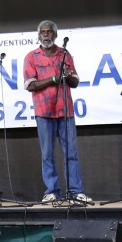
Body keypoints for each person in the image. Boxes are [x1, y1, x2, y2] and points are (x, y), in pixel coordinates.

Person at [23, 20, 91, 205]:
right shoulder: (32, 57)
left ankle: (76, 191)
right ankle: (52, 191)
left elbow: (75, 82)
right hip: (44, 112)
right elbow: (31, 85)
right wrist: (54, 78)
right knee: (47, 154)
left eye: (49, 32)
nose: (46, 35)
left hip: (65, 110)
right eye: (43, 32)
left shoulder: (65, 54)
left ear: (55, 35)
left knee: (71, 153)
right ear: (39, 36)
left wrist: (68, 76)